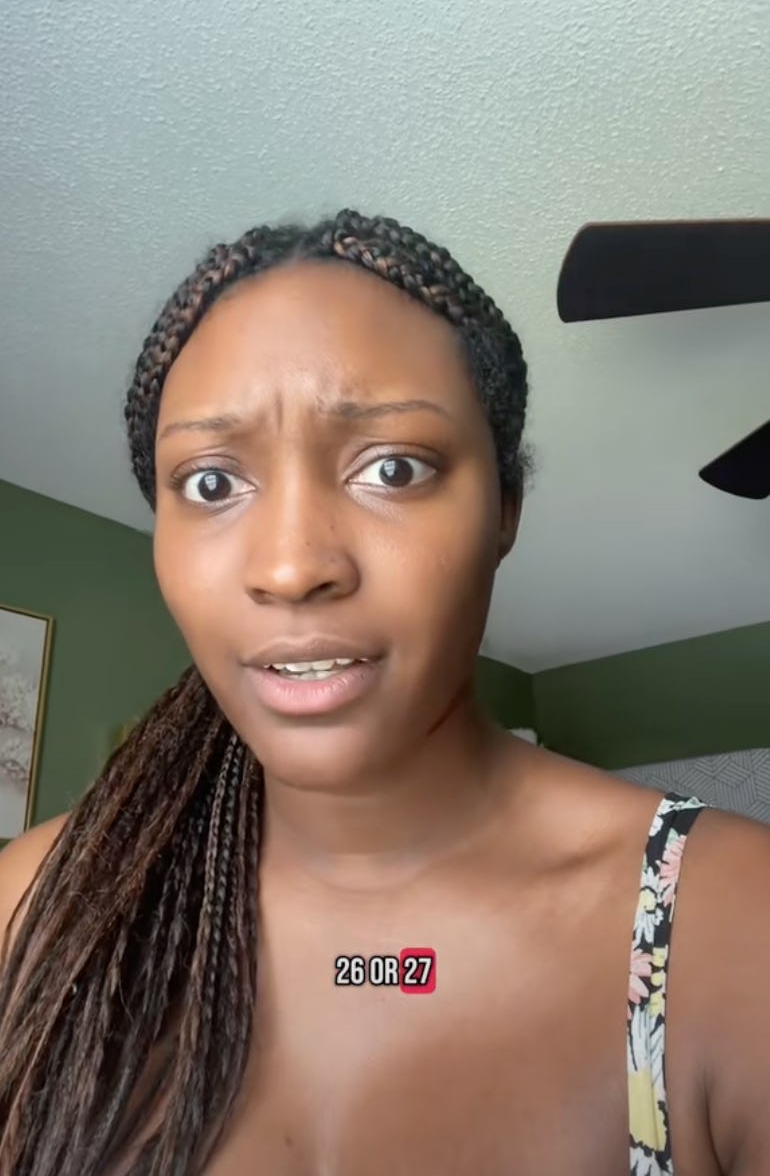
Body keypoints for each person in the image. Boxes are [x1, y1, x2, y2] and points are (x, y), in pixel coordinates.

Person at [0, 209, 768, 1176]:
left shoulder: (735, 930)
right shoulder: (33, 912)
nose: (290, 567)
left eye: (392, 468)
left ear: (505, 512)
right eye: (209, 485)